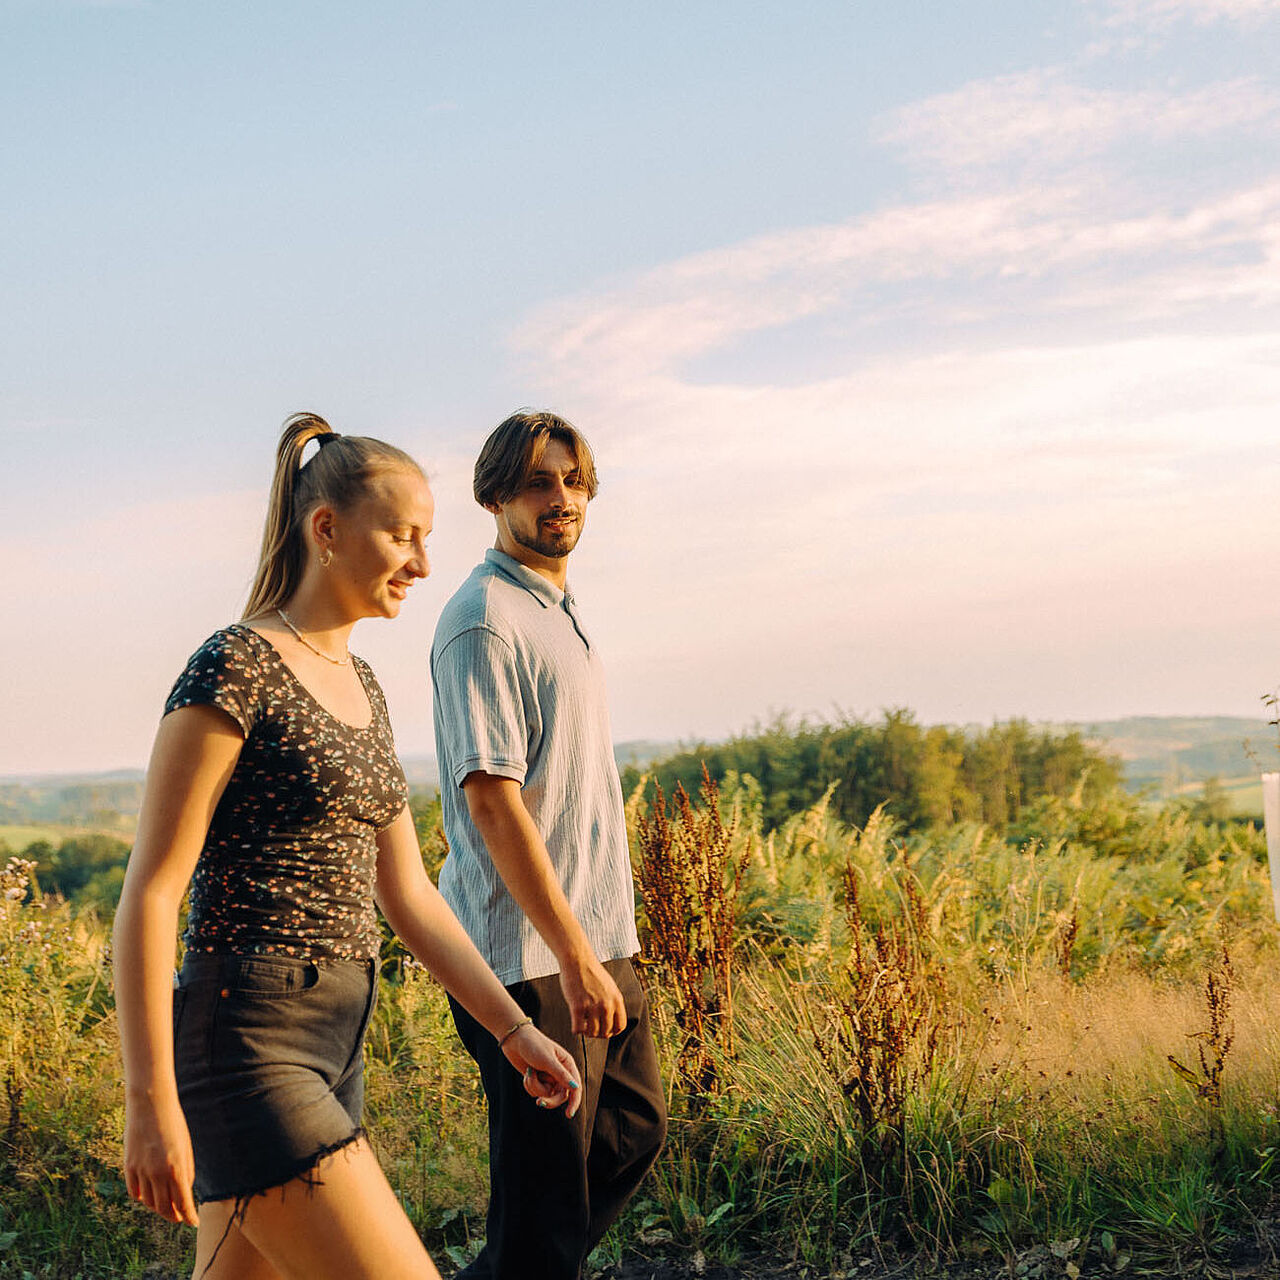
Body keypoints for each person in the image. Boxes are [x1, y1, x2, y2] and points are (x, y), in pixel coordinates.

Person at [113, 413, 582, 1280]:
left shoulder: (362, 684)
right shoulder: (234, 667)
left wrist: (514, 1030)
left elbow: (408, 897)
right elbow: (151, 890)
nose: (423, 561)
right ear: (326, 529)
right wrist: (149, 1106)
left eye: (428, 538)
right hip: (250, 1041)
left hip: (336, 1040)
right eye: (403, 535)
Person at [431, 410, 667, 1280]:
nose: (559, 497)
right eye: (537, 481)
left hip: (597, 938)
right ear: (495, 496)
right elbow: (492, 804)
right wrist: (571, 956)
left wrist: (599, 946)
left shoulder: (554, 610)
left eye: (571, 480)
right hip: (527, 956)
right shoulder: (484, 620)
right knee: (543, 1196)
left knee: (632, 1132)